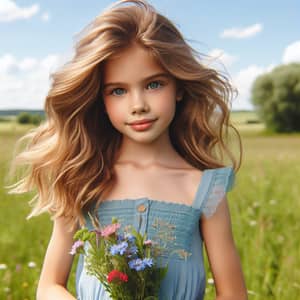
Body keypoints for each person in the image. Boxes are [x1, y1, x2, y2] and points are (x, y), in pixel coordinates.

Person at [7, 0, 247, 299]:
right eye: (118, 91)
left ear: (179, 86)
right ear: (100, 99)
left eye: (154, 84)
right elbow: (49, 286)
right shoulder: (83, 180)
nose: (138, 106)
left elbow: (233, 294)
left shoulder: (205, 189)